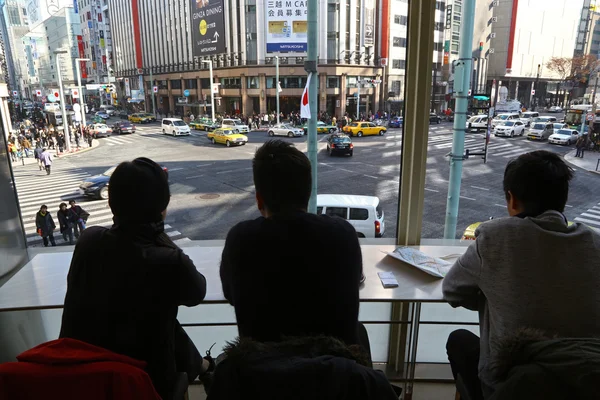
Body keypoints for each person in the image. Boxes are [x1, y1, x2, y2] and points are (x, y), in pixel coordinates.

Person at [443, 150, 600, 400]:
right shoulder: (594, 243)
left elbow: (451, 291)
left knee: (458, 340)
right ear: (563, 199)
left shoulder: (496, 237)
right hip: (585, 383)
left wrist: (494, 294)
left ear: (512, 200)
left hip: (511, 387)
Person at [59, 157, 210, 399]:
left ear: (112, 204)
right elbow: (197, 293)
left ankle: (202, 365)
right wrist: (158, 233)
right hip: (144, 386)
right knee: (159, 318)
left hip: (83, 379)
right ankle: (203, 367)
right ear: (163, 206)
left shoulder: (89, 241)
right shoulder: (168, 260)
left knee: (155, 316)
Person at [220, 140, 363, 347]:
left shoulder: (240, 239)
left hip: (263, 368)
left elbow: (231, 294)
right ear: (308, 194)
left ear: (259, 200)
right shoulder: (344, 234)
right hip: (333, 371)